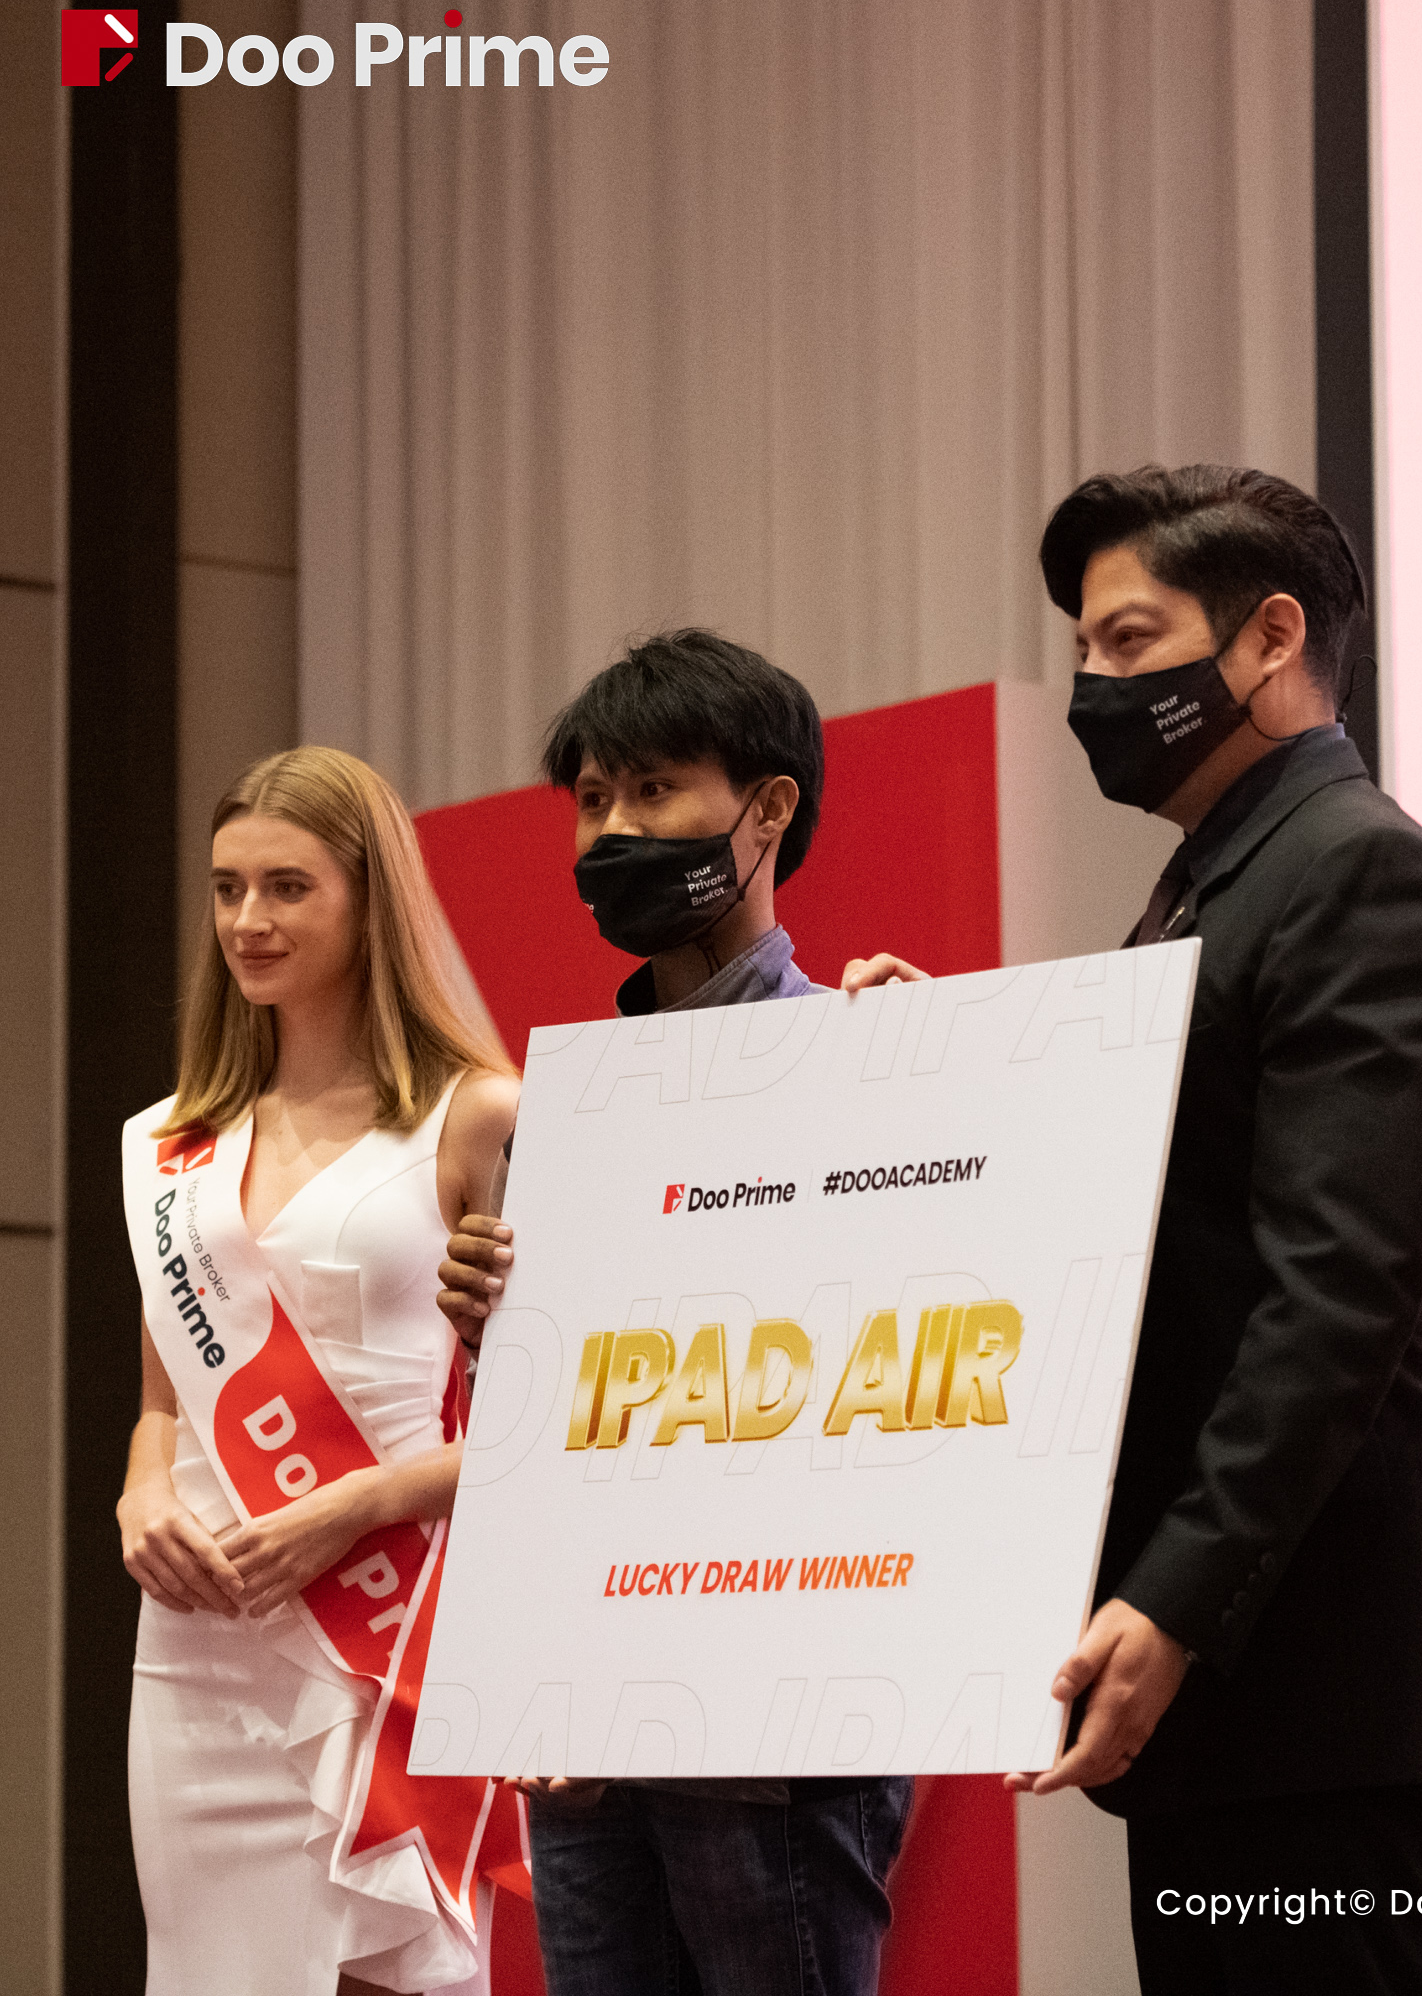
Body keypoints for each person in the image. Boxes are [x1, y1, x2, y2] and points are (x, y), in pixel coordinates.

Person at [921, 462, 1422, 1994]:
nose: (1093, 687)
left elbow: (1336, 1299)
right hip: (1233, 1702)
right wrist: (934, 1073)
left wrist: (1174, 1597)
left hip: (1327, 1686)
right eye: (1082, 650)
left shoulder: (1357, 871)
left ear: (1270, 639)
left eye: (1128, 640)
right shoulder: (1208, 889)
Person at [436, 628, 914, 1996]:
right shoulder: (568, 1116)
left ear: (768, 810)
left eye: (653, 790)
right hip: (589, 1724)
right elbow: (568, 1429)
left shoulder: (873, 1058)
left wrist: (933, 1107)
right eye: (593, 799)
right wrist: (495, 1329)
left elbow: (910, 1379)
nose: (613, 832)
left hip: (777, 1721)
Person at [118, 746, 521, 1995]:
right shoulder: (172, 1141)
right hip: (199, 1638)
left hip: (381, 1618)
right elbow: (161, 1401)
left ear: (369, 898)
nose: (248, 919)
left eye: (287, 886)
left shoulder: (478, 1114)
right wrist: (141, 1492)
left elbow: (549, 1425)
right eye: (228, 887)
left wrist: (354, 1503)